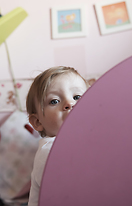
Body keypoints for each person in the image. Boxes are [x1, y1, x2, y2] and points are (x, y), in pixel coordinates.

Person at [26, 66, 89, 206]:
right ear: (37, 122)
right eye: (54, 101)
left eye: (77, 97)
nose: (69, 104)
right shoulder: (50, 151)